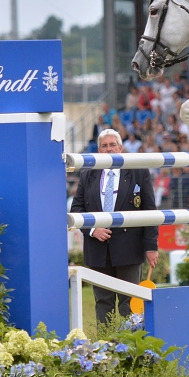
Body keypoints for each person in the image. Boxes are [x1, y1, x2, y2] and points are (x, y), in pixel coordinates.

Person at [70, 129, 159, 325]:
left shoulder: (138, 171)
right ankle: (106, 347)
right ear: (99, 149)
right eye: (104, 146)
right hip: (98, 249)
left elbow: (150, 210)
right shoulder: (87, 174)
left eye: (112, 145)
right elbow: (77, 209)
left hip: (130, 247)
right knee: (103, 303)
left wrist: (151, 247)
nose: (109, 149)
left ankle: (133, 347)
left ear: (120, 147)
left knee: (130, 303)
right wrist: (93, 229)